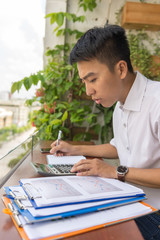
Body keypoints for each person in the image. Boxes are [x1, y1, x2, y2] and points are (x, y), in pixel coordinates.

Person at [50, 25, 160, 239]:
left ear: (120, 69)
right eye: (84, 82)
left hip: (153, 212)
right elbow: (120, 145)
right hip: (132, 201)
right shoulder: (120, 104)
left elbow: (117, 168)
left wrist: (115, 172)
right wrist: (74, 148)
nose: (88, 91)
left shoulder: (157, 102)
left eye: (92, 80)